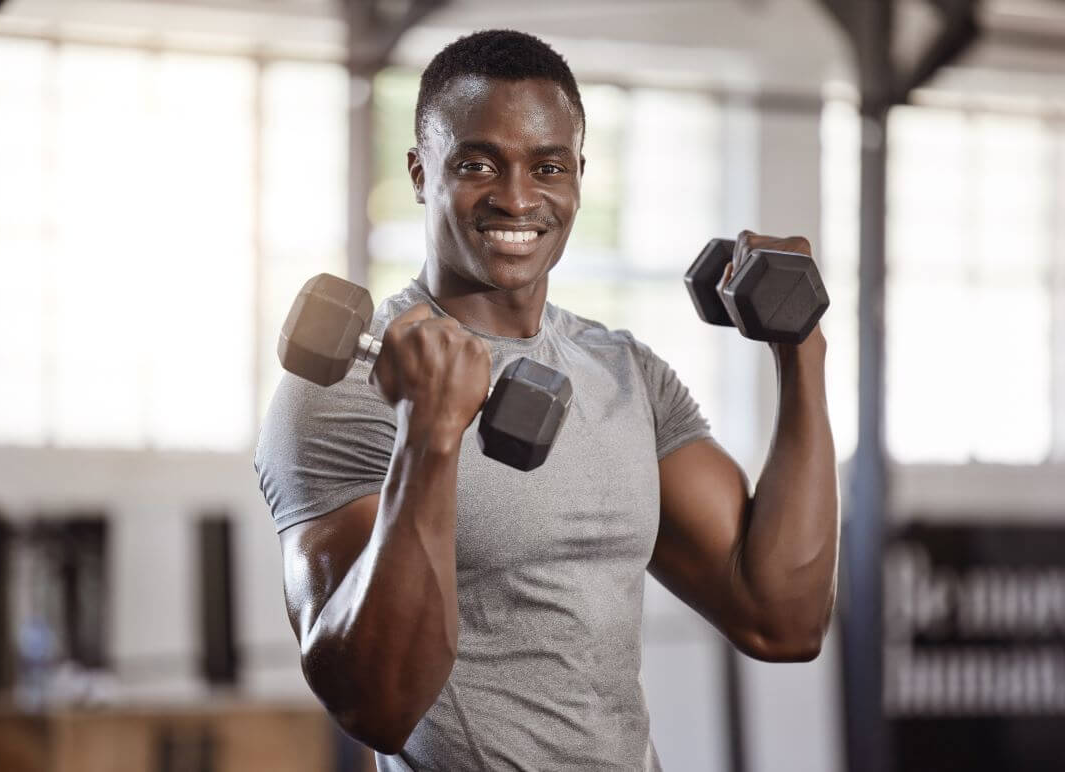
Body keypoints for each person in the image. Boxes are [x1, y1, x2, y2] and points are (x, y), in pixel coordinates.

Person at [255, 29, 837, 771]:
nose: (518, 197)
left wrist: (803, 351)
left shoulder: (624, 373)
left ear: (579, 178)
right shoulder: (345, 390)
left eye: (547, 166)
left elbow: (782, 621)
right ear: (419, 173)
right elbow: (377, 704)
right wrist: (428, 435)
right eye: (476, 164)